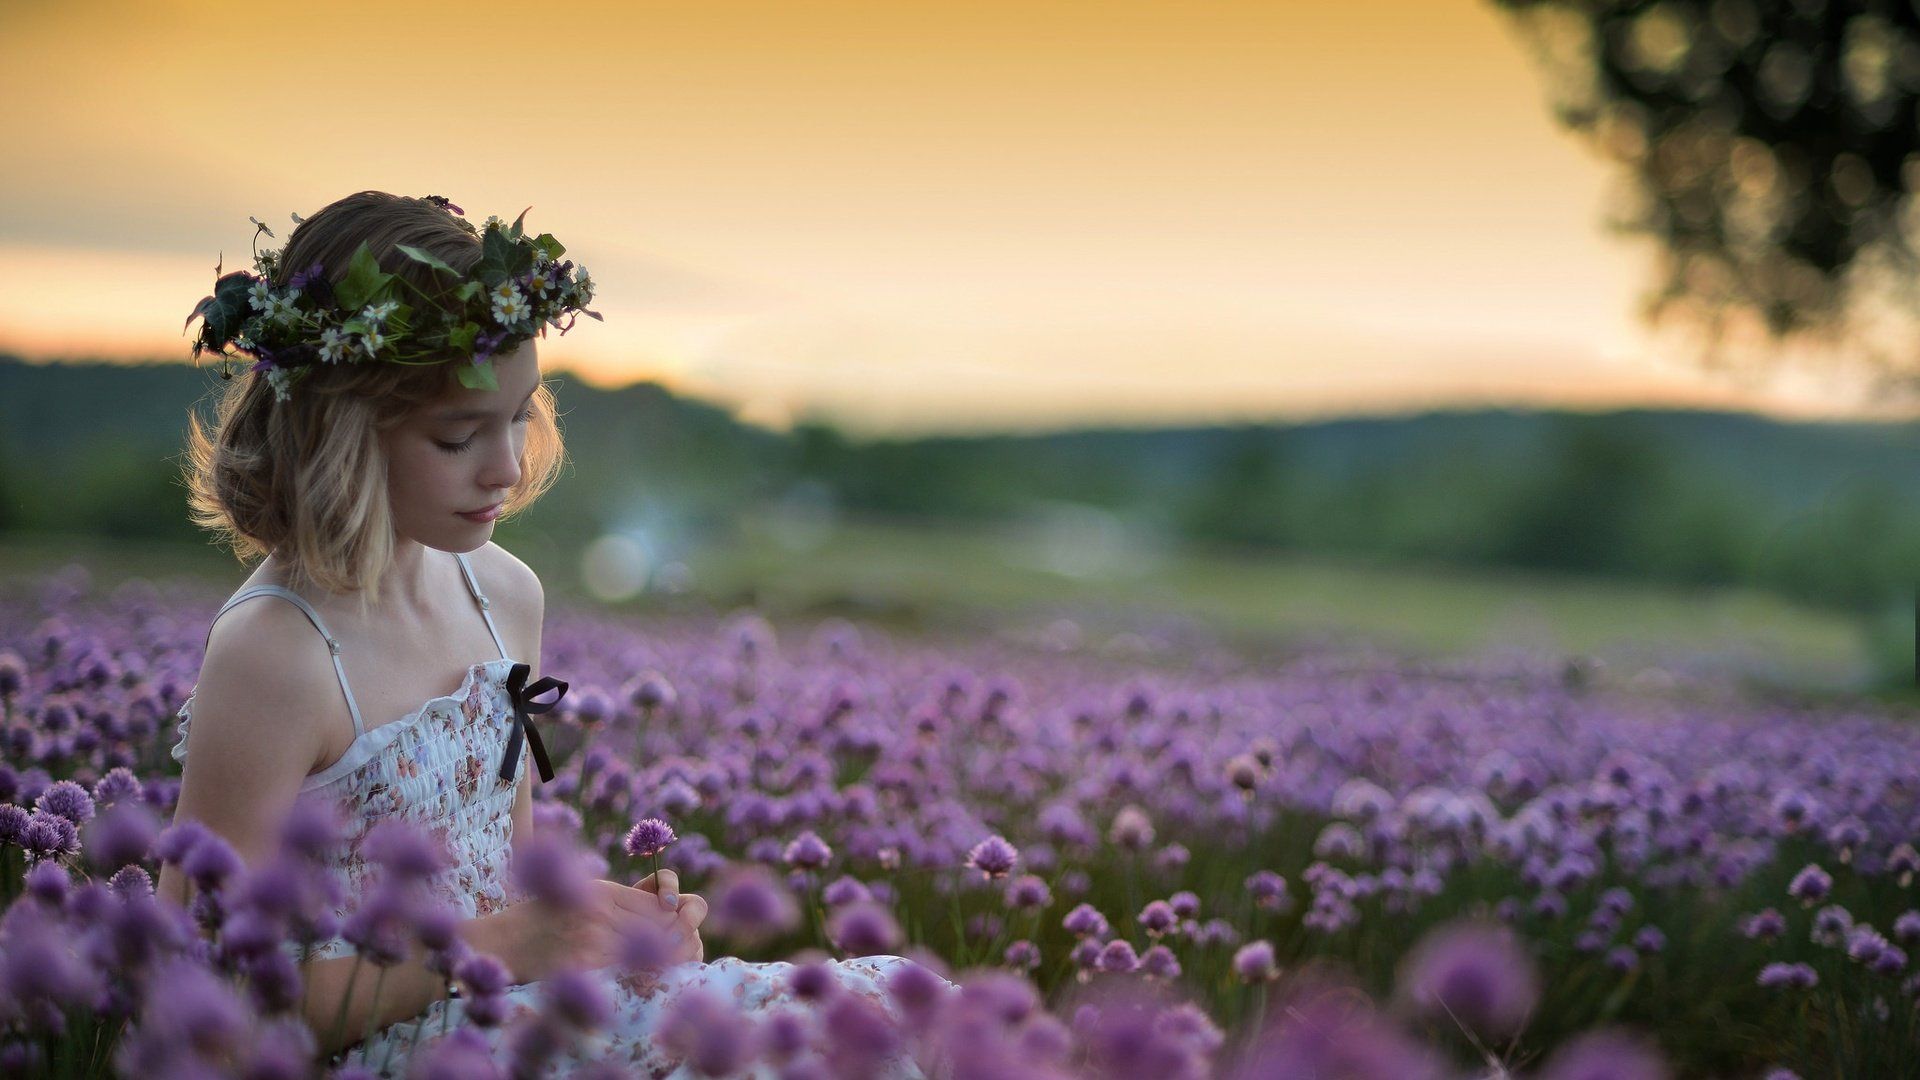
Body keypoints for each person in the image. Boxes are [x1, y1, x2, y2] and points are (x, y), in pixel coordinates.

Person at [156, 191, 934, 1076]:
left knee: (900, 1004)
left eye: (520, 414)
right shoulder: (278, 651)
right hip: (399, 1051)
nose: (508, 464)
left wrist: (602, 922)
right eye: (458, 436)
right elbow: (204, 1002)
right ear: (341, 435)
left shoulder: (503, 596)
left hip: (511, 1013)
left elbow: (507, 881)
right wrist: (494, 945)